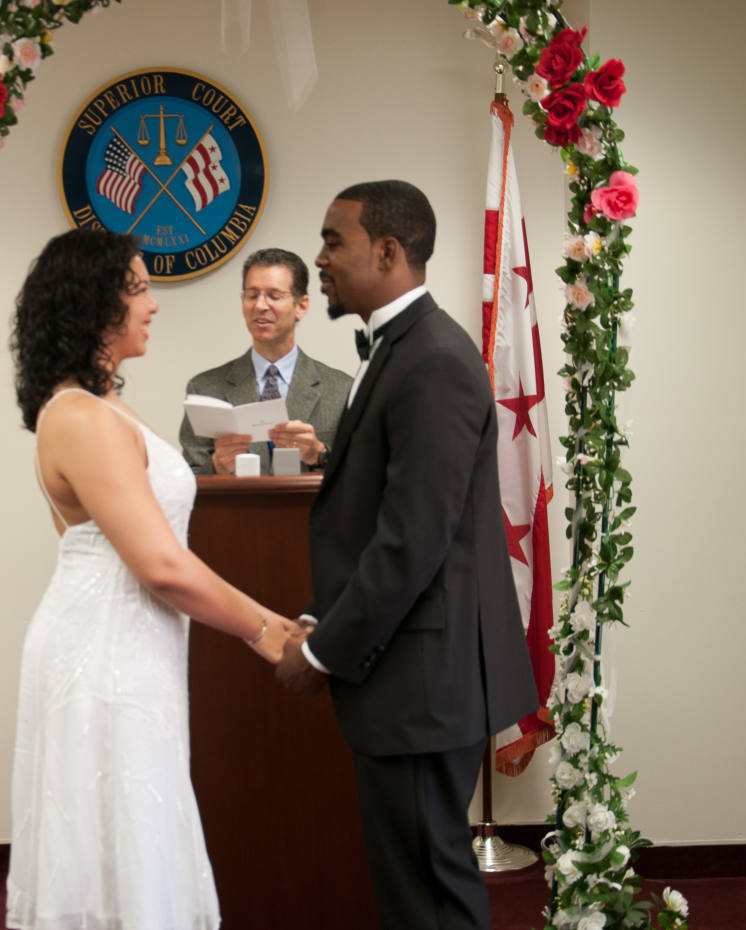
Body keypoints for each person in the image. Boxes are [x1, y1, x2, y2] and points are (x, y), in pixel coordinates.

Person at [6, 227, 298, 930]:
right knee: (120, 833)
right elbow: (162, 566)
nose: (153, 304)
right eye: (138, 288)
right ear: (95, 305)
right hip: (103, 650)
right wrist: (266, 629)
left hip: (126, 641)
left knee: (140, 827)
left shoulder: (99, 408)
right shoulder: (80, 416)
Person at [275, 181, 539, 930]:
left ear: (387, 252)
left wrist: (323, 651)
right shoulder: (401, 348)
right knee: (412, 891)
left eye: (333, 241)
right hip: (409, 674)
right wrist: (316, 615)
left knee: (430, 897)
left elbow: (413, 539)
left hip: (423, 682)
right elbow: (372, 518)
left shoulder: (434, 359)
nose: (318, 259)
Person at [178, 247, 352, 475]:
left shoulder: (342, 389)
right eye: (252, 295)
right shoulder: (204, 388)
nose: (260, 305)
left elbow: (361, 476)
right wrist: (217, 466)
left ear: (301, 306)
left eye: (274, 296)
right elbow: (187, 482)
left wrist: (319, 454)